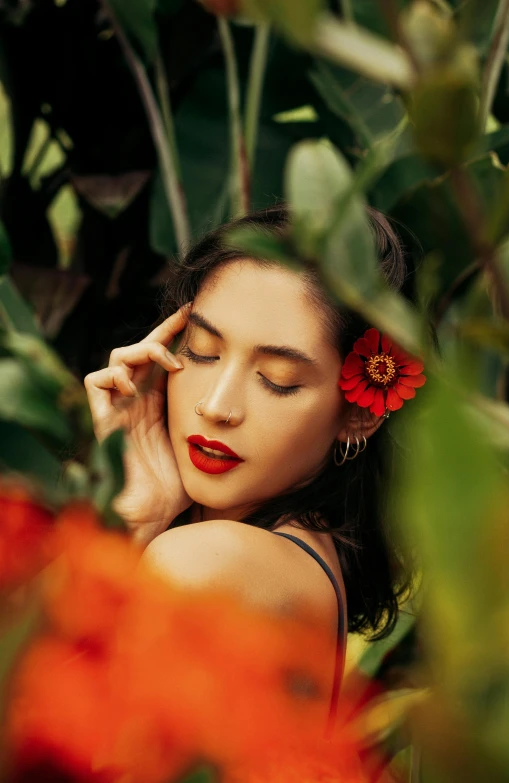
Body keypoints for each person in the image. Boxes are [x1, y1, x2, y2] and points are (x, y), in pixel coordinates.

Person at [84, 204, 420, 734]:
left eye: (279, 379)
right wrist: (139, 510)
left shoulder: (203, 565)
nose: (217, 406)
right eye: (201, 352)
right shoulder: (303, 562)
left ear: (358, 412)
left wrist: (124, 524)